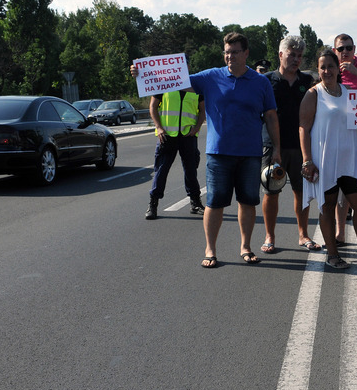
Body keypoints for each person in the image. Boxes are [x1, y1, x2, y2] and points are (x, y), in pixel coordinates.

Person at [132, 33, 282, 268]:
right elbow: (173, 80)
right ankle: (210, 249)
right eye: (226, 51)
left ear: (246, 53)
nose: (229, 56)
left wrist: (277, 150)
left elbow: (271, 117)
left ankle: (245, 246)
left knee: (247, 202)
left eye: (234, 51)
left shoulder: (260, 82)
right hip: (219, 153)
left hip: (250, 153)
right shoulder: (210, 77)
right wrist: (143, 75)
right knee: (214, 203)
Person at [300, 48, 357, 268]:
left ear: (339, 69)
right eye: (323, 67)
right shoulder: (314, 94)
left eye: (331, 66)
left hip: (350, 160)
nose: (327, 70)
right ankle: (333, 255)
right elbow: (304, 128)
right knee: (327, 207)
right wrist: (307, 160)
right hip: (325, 160)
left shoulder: (350, 93)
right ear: (318, 70)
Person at [259, 35, 320, 254]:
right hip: (272, 146)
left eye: (300, 56)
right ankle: (270, 236)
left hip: (301, 146)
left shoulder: (308, 82)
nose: (296, 59)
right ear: (280, 54)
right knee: (271, 191)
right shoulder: (265, 80)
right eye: (292, 54)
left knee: (301, 191)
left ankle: (303, 235)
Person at [145, 89, 206, 220]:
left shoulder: (195, 87)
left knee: (191, 170)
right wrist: (158, 127)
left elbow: (202, 110)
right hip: (167, 136)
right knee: (161, 170)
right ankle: (153, 204)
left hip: (188, 136)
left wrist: (197, 128)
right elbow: (153, 106)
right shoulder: (164, 85)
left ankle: (195, 203)